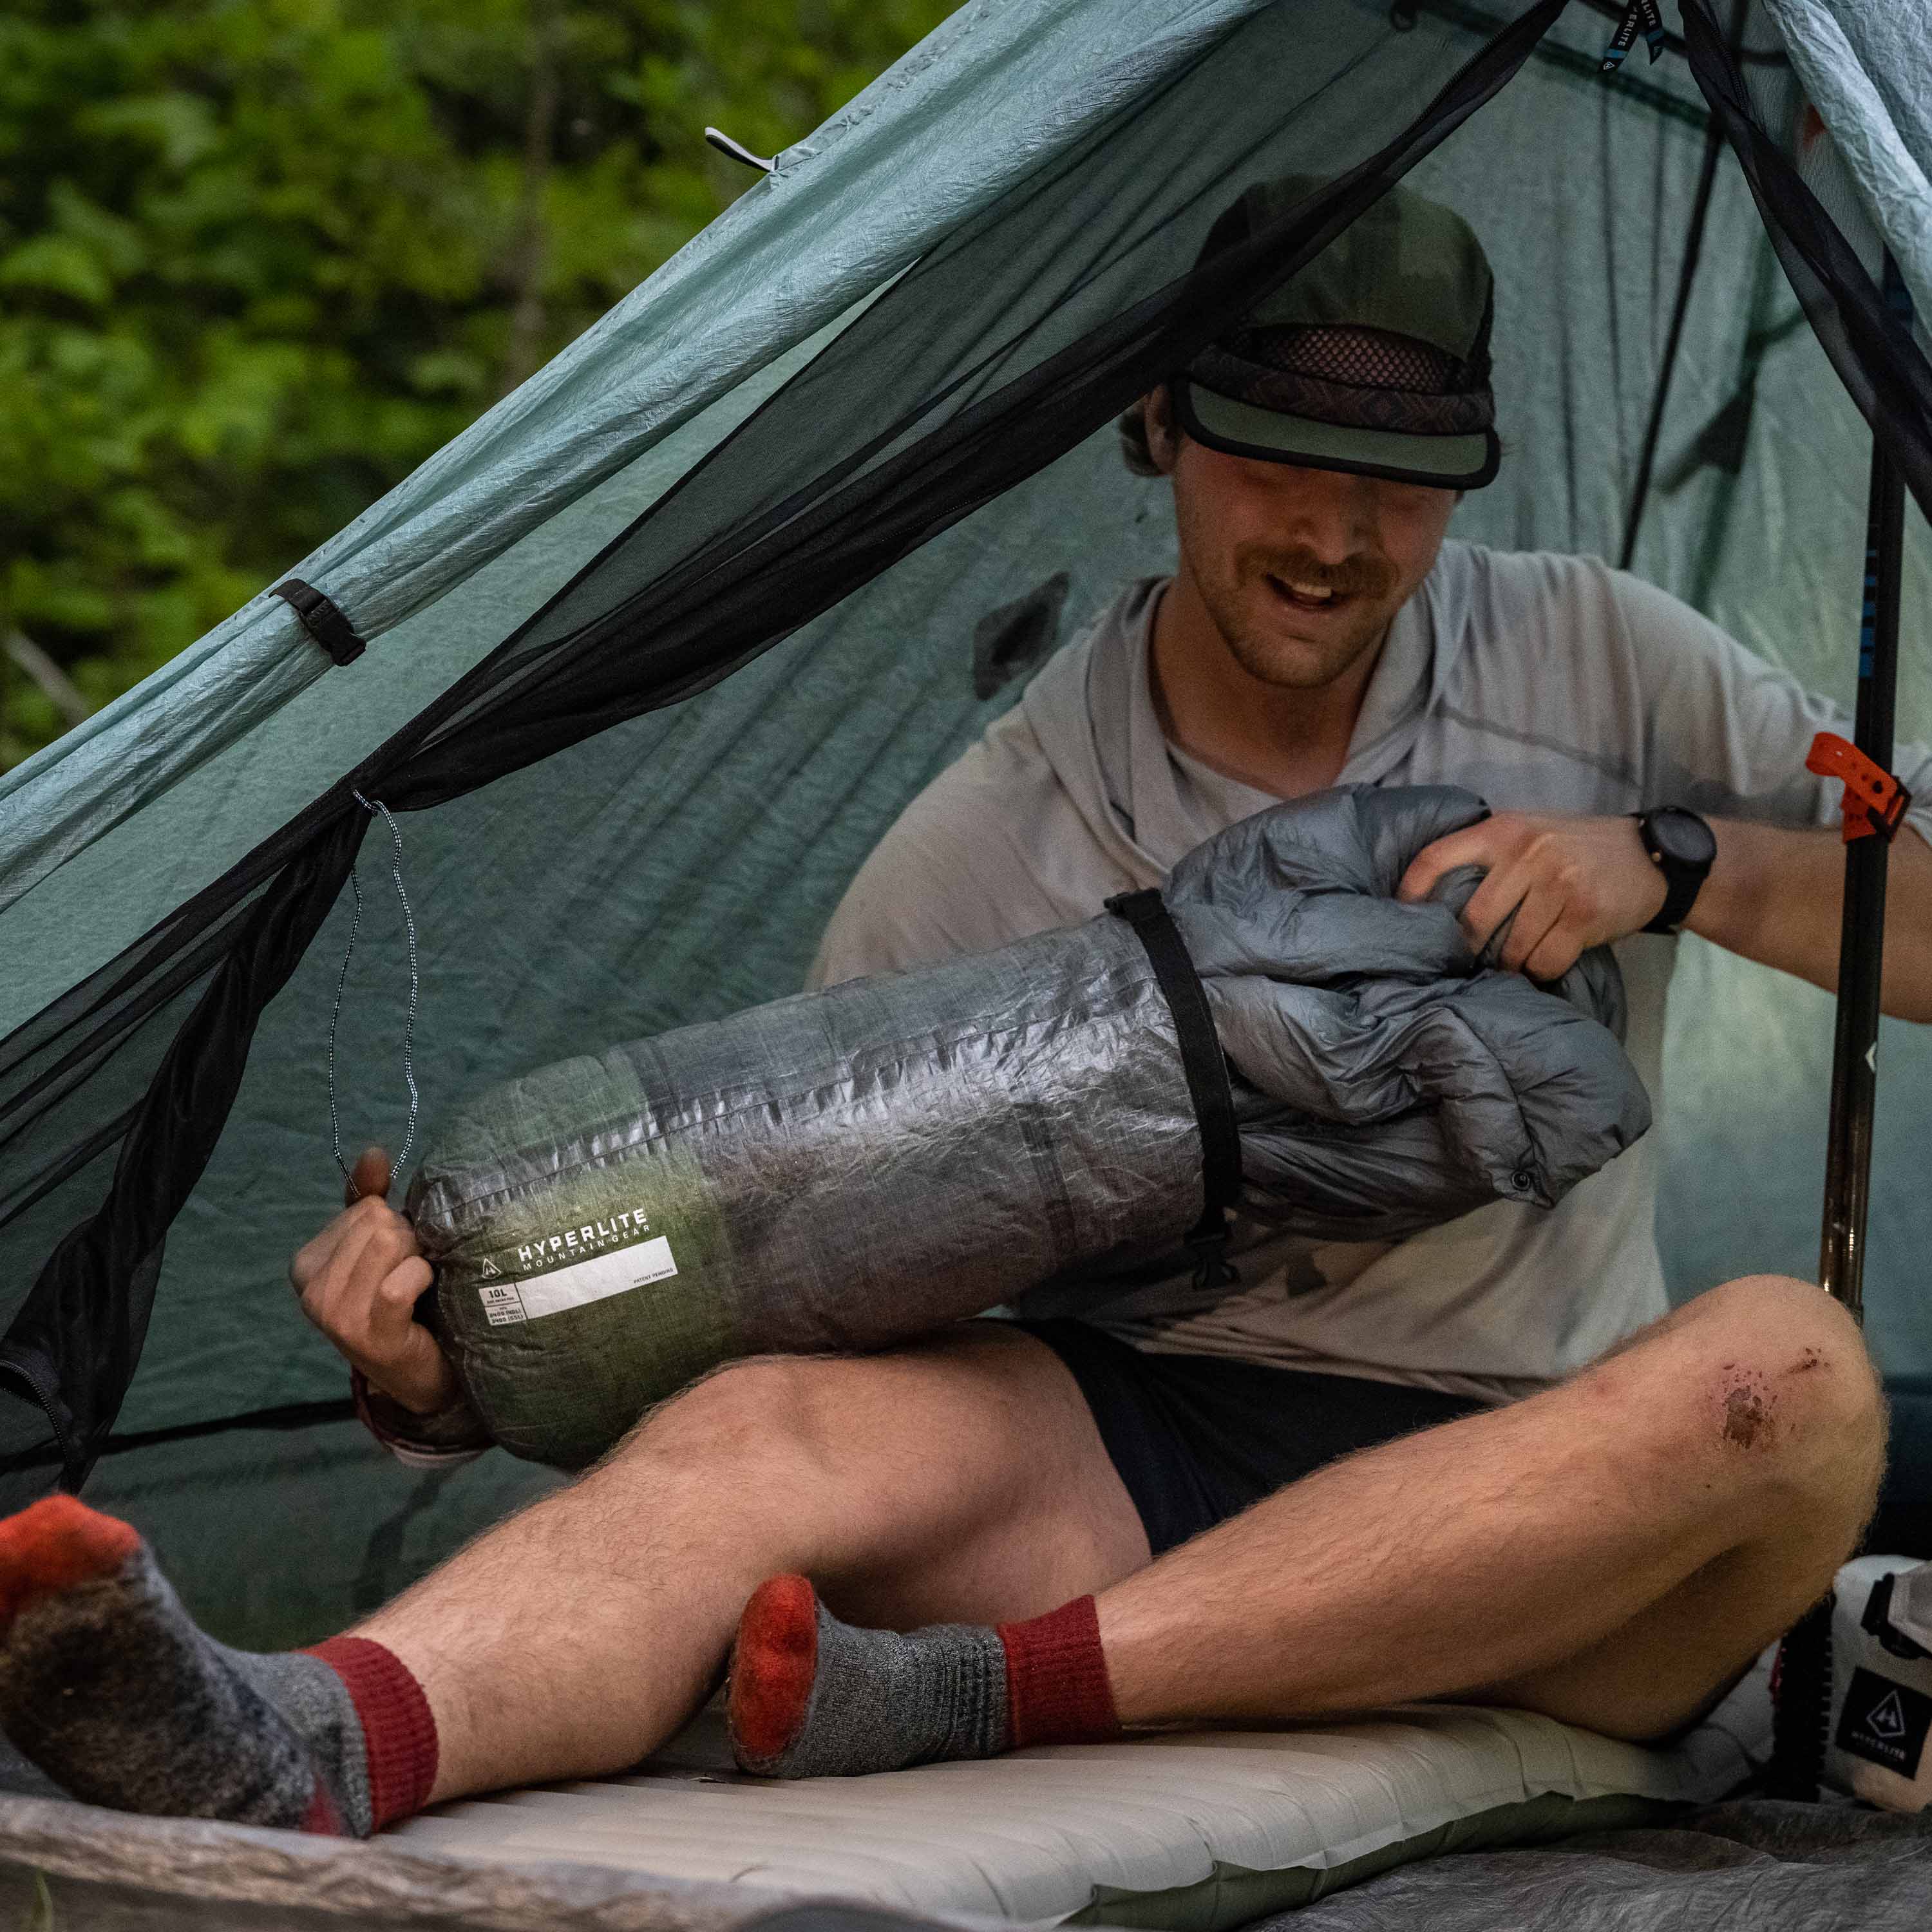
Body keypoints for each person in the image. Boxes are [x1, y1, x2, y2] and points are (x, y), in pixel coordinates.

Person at [0, 177, 1923, 1833]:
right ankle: (303, 1740)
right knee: (769, 1422)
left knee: (1800, 1383)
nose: (1335, 538)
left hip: (1551, 1496)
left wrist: (1679, 864)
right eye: (1275, 459)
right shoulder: (996, 841)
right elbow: (767, 1263)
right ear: (1157, 422)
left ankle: (989, 1693)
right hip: (1140, 1449)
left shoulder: (1597, 656)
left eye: (1396, 487)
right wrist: (429, 1382)